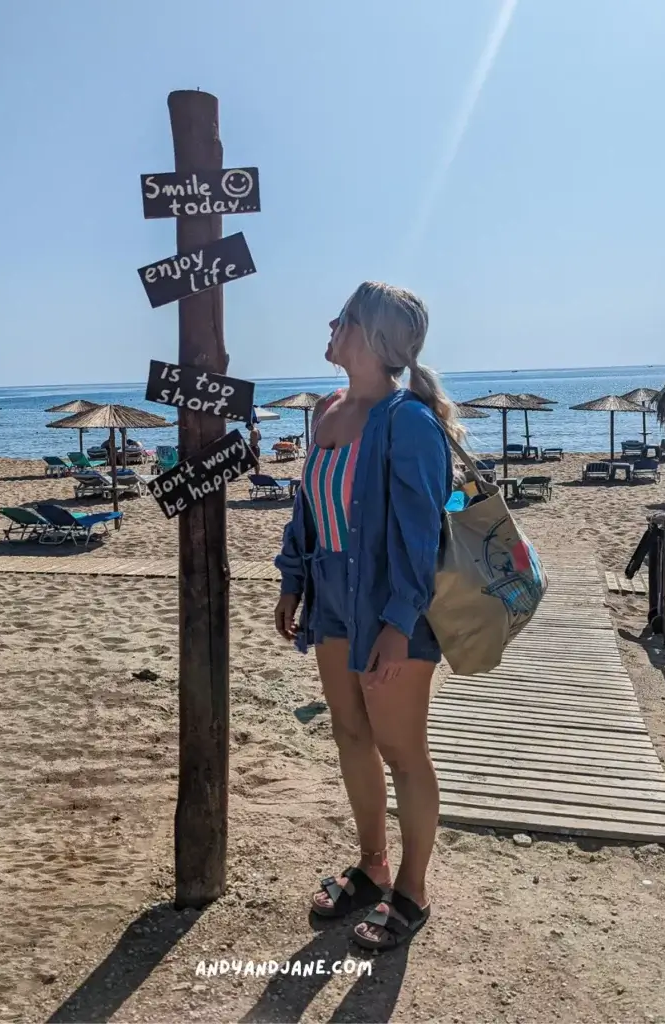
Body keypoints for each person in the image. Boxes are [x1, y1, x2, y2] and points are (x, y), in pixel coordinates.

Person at [274, 281, 462, 951]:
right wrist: (291, 581)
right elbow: (308, 514)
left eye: (344, 318)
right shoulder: (327, 409)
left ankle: (411, 890)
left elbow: (421, 535)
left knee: (402, 754)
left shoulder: (406, 421)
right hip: (330, 604)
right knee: (350, 735)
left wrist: (394, 623)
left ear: (373, 337)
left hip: (392, 614)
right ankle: (371, 865)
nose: (330, 324)